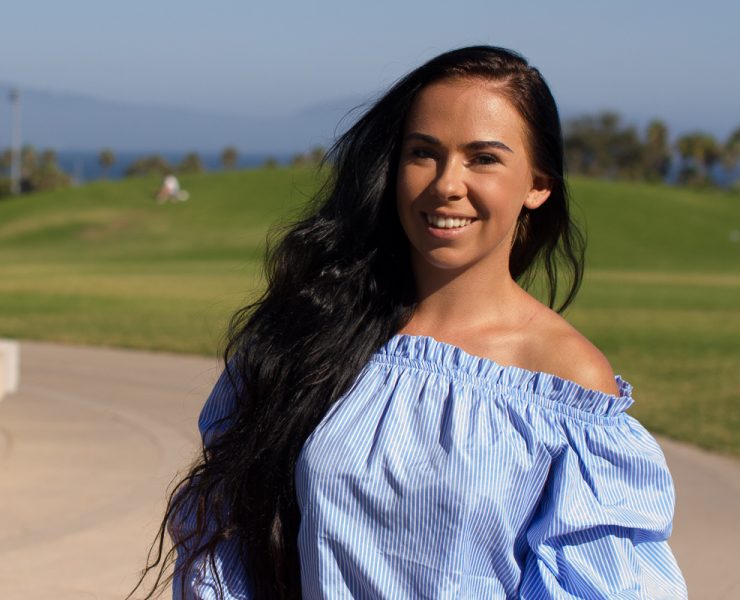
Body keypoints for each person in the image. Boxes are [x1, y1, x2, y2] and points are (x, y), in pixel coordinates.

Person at [135, 46, 687, 599]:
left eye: (484, 158)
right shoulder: (311, 333)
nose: (447, 183)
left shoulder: (567, 387)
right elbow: (226, 543)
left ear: (537, 185)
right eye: (424, 153)